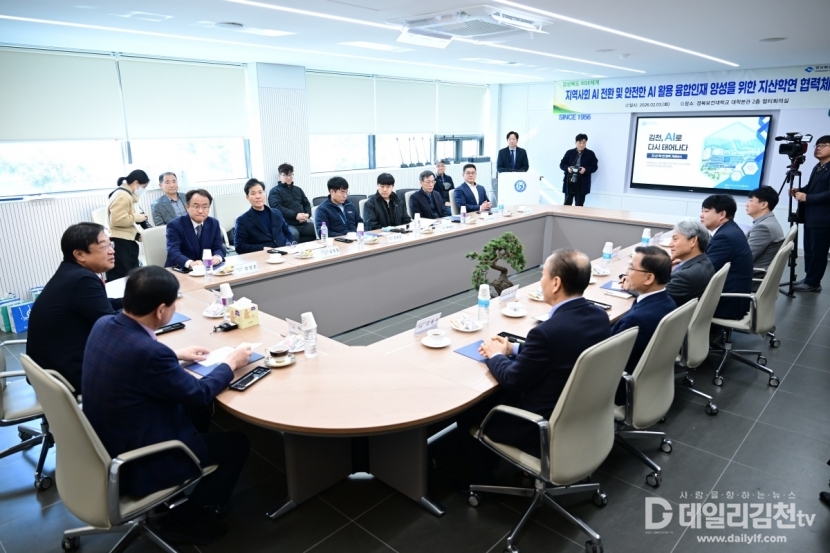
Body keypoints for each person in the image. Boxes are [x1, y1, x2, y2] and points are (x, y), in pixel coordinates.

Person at [82, 266, 251, 544]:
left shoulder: (104, 324)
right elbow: (199, 393)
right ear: (161, 310)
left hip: (106, 441)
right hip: (139, 461)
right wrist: (230, 363)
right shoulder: (150, 353)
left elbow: (134, 359)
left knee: (197, 414)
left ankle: (189, 474)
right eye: (173, 305)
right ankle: (190, 518)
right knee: (237, 444)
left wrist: (176, 355)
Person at [474, 249, 611, 458]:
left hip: (538, 425)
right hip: (579, 415)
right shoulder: (599, 316)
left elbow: (511, 379)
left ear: (556, 283)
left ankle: (473, 471)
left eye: (542, 275)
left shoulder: (547, 332)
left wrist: (495, 355)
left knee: (472, 411)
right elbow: (561, 350)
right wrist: (513, 348)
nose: (540, 281)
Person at [26, 223, 122, 392]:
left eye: (111, 244)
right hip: (66, 375)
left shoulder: (71, 272)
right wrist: (144, 315)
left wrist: (138, 300)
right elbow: (112, 327)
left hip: (49, 370)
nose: (112, 251)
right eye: (104, 246)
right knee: (146, 368)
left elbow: (102, 305)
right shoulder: (82, 280)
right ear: (79, 254)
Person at [613, 246, 677, 404]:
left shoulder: (636, 321)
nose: (626, 272)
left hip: (620, 388)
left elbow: (607, 358)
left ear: (649, 278)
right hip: (651, 382)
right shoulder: (668, 302)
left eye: (631, 267)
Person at [700, 194, 753, 320]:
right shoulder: (730, 229)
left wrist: (681, 266)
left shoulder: (724, 238)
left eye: (706, 211)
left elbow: (704, 272)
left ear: (722, 214)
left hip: (727, 302)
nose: (701, 215)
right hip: (732, 294)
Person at [792, 135, 830, 293]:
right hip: (811, 216)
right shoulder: (818, 167)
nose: (818, 148)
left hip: (824, 218)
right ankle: (809, 279)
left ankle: (813, 283)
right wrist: (800, 191)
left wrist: (807, 197)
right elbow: (813, 187)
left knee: (818, 252)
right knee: (809, 249)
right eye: (817, 145)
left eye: (823, 145)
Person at [165, 189, 225, 268]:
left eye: (205, 207)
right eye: (196, 206)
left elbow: (218, 247)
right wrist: (190, 263)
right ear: (187, 207)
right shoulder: (175, 225)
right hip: (180, 269)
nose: (200, 211)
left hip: (206, 269)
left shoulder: (214, 223)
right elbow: (173, 251)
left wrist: (217, 257)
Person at [107, 170, 150, 281]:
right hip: (121, 244)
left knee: (130, 276)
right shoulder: (123, 196)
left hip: (124, 241)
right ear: (136, 183)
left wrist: (136, 235)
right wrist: (138, 217)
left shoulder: (125, 194)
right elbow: (117, 221)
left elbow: (125, 222)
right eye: (144, 187)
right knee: (125, 277)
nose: (144, 190)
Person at [234, 178, 293, 254]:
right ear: (247, 197)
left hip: (284, 251)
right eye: (253, 194)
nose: (258, 196)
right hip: (263, 255)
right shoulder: (242, 220)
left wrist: (290, 245)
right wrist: (261, 248)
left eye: (260, 192)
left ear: (264, 193)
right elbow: (239, 246)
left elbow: (288, 233)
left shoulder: (276, 213)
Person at [666, 220, 715, 306]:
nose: (670, 244)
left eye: (675, 239)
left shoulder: (684, 276)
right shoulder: (706, 262)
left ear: (693, 241)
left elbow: (653, 299)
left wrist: (661, 271)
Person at [267, 163, 316, 243]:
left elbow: (306, 204)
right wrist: (295, 215)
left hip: (303, 223)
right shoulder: (275, 191)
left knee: (320, 228)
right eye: (286, 175)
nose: (289, 178)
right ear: (279, 176)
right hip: (288, 224)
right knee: (293, 235)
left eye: (290, 175)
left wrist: (307, 214)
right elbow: (277, 208)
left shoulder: (298, 190)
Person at [745, 185, 785, 271]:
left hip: (750, 273)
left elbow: (745, 258)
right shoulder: (769, 221)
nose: (746, 204)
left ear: (763, 204)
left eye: (751, 201)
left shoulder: (763, 228)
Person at [559, 133, 598, 207]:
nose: (582, 145)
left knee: (579, 206)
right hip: (569, 181)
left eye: (584, 143)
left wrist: (585, 170)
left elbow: (594, 167)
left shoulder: (590, 154)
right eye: (580, 143)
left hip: (582, 183)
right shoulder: (569, 153)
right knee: (566, 205)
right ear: (575, 142)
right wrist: (568, 168)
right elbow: (562, 164)